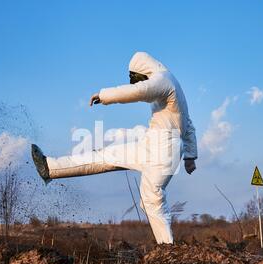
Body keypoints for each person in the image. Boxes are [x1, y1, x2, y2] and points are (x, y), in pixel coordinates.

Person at [31, 52, 197, 244]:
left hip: (163, 150)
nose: (136, 82)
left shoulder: (163, 80)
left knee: (152, 199)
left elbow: (139, 91)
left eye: (136, 78)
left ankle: (168, 249)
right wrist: (190, 156)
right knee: (106, 156)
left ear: (142, 72)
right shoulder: (172, 84)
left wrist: (104, 95)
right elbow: (189, 124)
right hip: (153, 145)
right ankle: (50, 168)